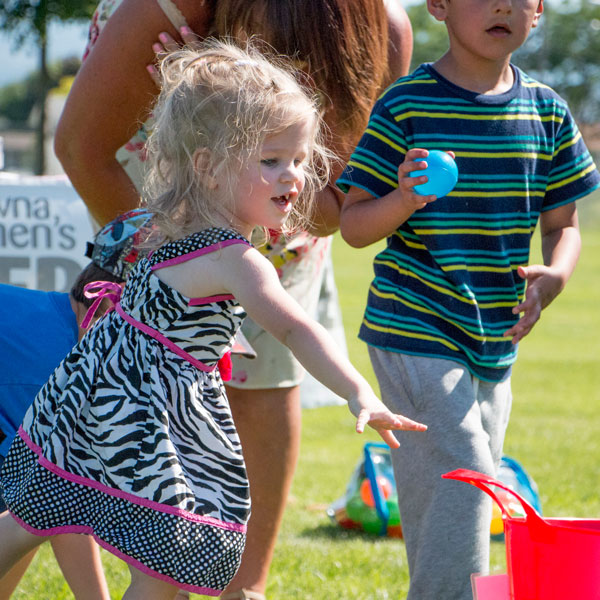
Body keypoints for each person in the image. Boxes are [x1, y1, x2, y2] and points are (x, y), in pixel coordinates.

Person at [1, 41, 426, 600]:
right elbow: (296, 328)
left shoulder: (159, 223)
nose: (292, 178)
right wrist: (358, 392)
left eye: (298, 161)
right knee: (162, 552)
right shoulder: (237, 259)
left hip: (91, 395)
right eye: (270, 160)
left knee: (40, 512)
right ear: (208, 166)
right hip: (135, 412)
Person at [336, 1, 600, 599]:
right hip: (414, 323)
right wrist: (403, 199)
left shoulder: (548, 112)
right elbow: (353, 224)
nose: (503, 5)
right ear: (440, 7)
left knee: (452, 495)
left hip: (493, 340)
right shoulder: (406, 104)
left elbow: (565, 224)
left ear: (537, 14)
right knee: (471, 473)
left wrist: (555, 276)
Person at [0, 208, 153, 600]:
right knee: (26, 505)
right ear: (107, 308)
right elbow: (56, 507)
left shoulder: (63, 335)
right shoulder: (53, 365)